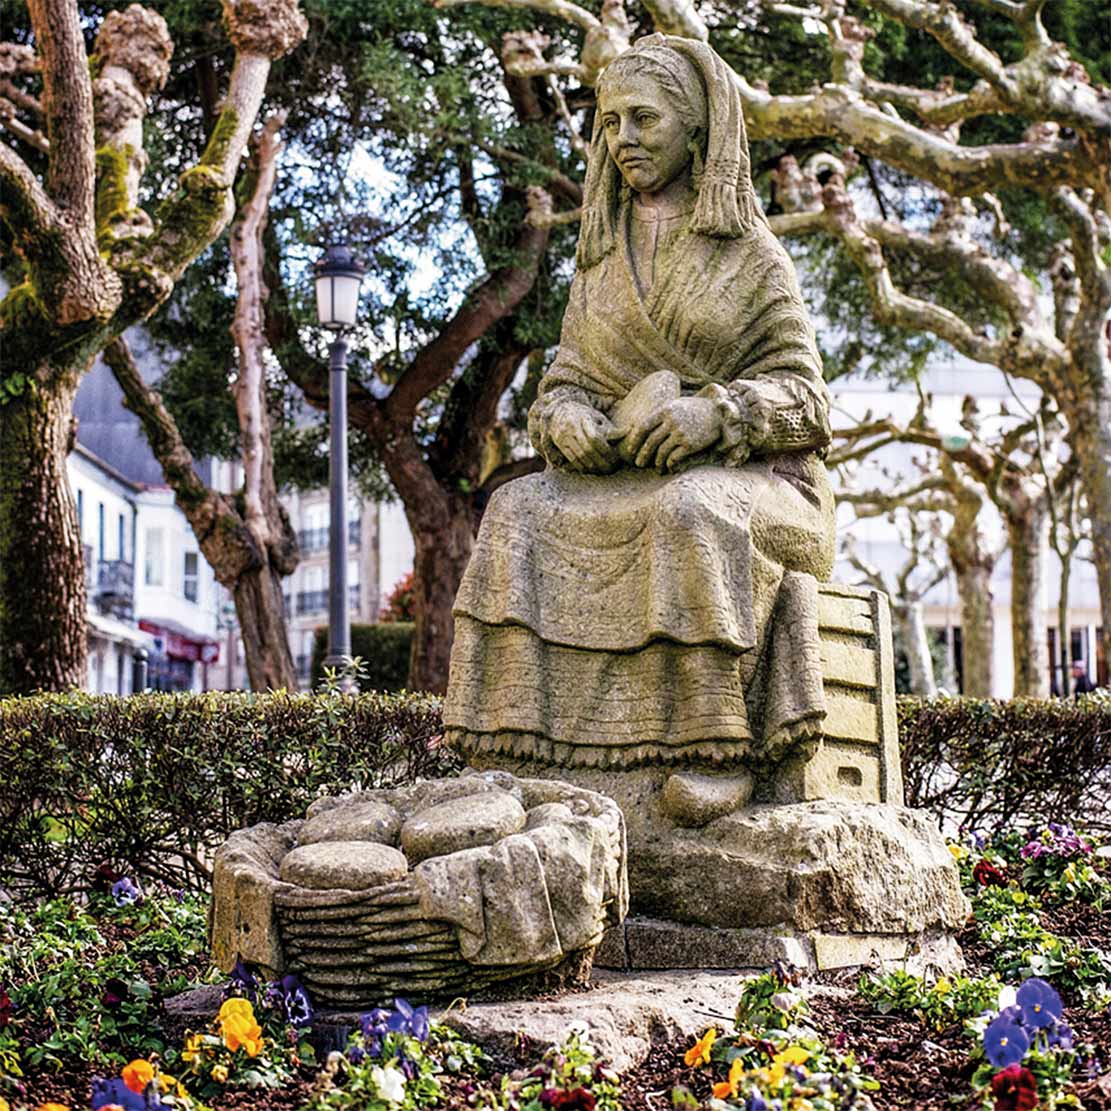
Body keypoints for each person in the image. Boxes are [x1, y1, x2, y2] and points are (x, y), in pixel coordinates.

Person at [444, 35, 835, 775]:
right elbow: (564, 381)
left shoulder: (752, 257)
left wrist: (716, 417)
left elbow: (809, 403)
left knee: (692, 509)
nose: (623, 138)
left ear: (695, 130)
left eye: (644, 119)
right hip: (623, 479)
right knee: (514, 506)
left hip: (766, 488)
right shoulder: (599, 262)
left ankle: (711, 747)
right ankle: (519, 743)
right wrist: (565, 418)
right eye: (610, 121)